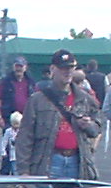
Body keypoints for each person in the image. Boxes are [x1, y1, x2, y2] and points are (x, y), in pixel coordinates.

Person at [14, 49, 100, 180]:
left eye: (71, 68)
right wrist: (24, 170)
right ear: (53, 69)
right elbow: (25, 135)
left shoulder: (85, 99)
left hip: (78, 162)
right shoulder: (37, 100)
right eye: (63, 68)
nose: (68, 71)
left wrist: (89, 125)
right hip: (47, 162)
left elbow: (97, 128)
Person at [0, 56, 37, 124]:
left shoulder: (31, 82)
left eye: (20, 66)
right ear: (13, 67)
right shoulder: (6, 81)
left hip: (27, 118)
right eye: (16, 66)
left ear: (25, 67)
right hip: (8, 118)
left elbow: (35, 100)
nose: (18, 69)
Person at [0, 111, 21, 176]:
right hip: (13, 154)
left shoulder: (22, 131)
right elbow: (4, 141)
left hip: (20, 154)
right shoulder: (8, 131)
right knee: (14, 169)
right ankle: (15, 182)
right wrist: (3, 151)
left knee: (18, 169)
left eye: (18, 124)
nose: (16, 126)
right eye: (14, 124)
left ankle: (19, 183)